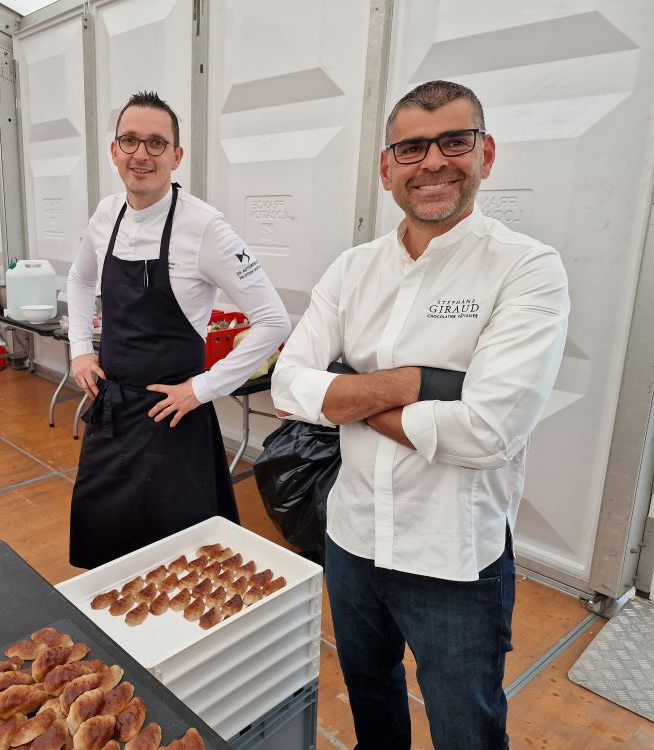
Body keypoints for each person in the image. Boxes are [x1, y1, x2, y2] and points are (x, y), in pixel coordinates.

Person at [272, 80, 570, 748]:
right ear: (387, 168)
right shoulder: (352, 271)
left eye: (454, 141)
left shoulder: (525, 270)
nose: (433, 161)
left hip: (455, 559)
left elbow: (488, 431)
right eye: (412, 147)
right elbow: (289, 388)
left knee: (466, 726)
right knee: (373, 704)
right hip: (351, 542)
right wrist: (419, 383)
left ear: (485, 154)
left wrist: (352, 393)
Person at [67, 91, 290, 569]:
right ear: (113, 150)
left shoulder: (206, 227)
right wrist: (81, 349)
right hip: (112, 409)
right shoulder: (106, 215)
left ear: (176, 156)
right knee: (109, 552)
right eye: (129, 140)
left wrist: (205, 389)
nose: (140, 154)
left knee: (181, 562)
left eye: (155, 143)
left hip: (173, 420)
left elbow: (273, 320)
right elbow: (82, 277)